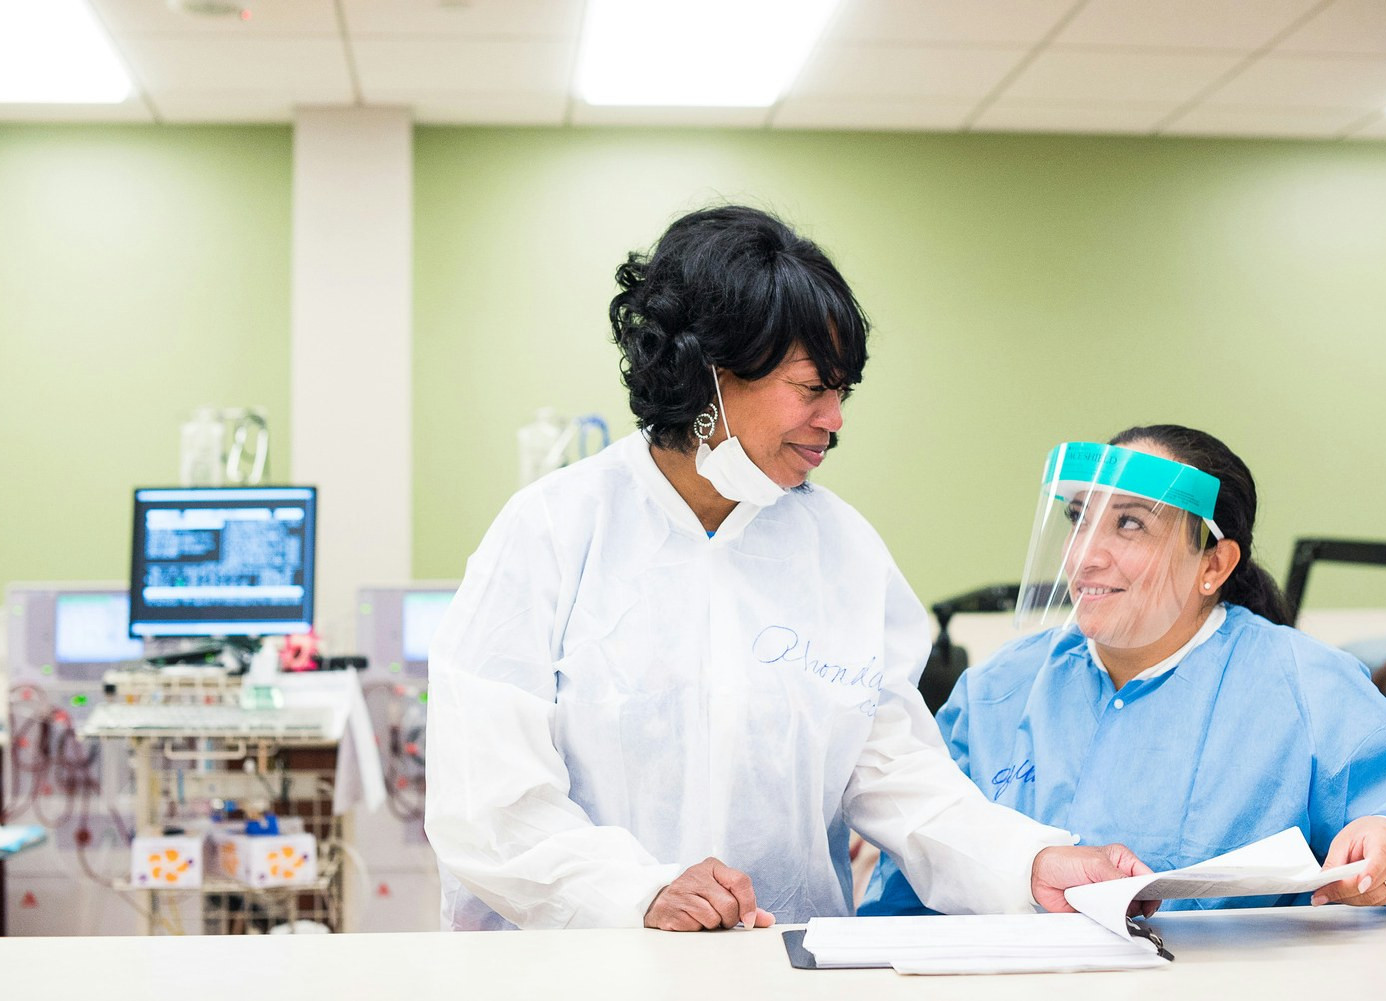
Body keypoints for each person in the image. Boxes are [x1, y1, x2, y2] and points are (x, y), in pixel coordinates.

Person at [423, 205, 1155, 931]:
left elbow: (898, 774)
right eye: (812, 390)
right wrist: (636, 894)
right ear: (706, 374)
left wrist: (1030, 862)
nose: (835, 419)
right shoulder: (554, 530)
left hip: (782, 965)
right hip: (582, 971)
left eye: (842, 393)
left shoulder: (843, 551)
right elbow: (487, 801)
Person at [861, 424, 1386, 916]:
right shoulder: (999, 690)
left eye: (1129, 523)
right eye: (1078, 519)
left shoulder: (1304, 683)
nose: (1085, 556)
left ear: (1214, 564)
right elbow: (908, 883)